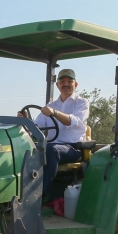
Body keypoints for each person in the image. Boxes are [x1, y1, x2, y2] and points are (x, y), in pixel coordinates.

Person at [19, 68, 89, 198]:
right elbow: (37, 126)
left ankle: (40, 197)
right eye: (62, 81)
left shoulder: (82, 103)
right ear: (57, 85)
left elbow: (72, 121)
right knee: (25, 150)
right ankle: (18, 193)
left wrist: (55, 113)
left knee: (51, 150)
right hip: (50, 147)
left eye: (69, 81)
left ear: (76, 84)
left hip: (74, 148)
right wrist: (26, 120)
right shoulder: (51, 105)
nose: (66, 84)